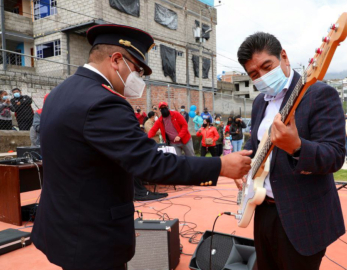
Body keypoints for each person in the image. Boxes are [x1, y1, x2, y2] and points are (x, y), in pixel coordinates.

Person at [31, 24, 252, 270]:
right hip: (93, 238)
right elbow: (151, 164)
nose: (139, 80)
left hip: (61, 227)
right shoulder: (104, 102)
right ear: (116, 60)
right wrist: (221, 165)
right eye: (137, 70)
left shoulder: (61, 92)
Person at [236, 32, 345, 270]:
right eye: (254, 74)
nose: (262, 76)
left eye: (267, 66)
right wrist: (245, 165)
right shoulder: (259, 102)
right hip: (263, 210)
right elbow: (255, 144)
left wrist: (297, 147)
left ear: (283, 56)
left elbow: (335, 156)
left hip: (303, 218)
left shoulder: (319, 94)